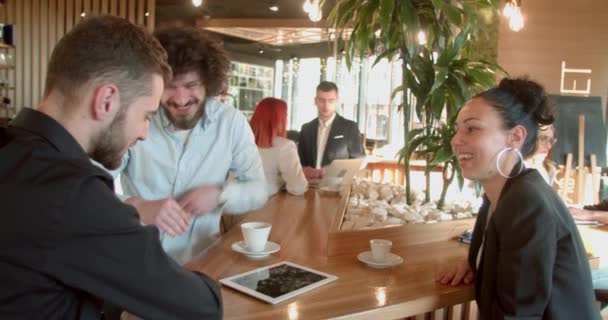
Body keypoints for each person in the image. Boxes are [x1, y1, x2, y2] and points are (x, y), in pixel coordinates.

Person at [0, 16, 222, 319]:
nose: (144, 133)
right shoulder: (72, 193)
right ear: (106, 100)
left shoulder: (12, 151)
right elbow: (201, 307)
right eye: (146, 115)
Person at [436, 78, 598, 318]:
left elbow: (518, 314)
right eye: (457, 129)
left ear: (515, 137)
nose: (455, 140)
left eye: (472, 128)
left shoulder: (526, 201)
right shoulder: (500, 193)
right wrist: (478, 262)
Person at [114, 27, 268, 265]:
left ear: (208, 82)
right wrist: (139, 207)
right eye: (170, 86)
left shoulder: (230, 123)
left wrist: (220, 195)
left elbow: (258, 190)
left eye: (191, 85)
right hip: (137, 262)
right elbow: (95, 186)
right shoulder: (134, 120)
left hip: (204, 261)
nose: (180, 98)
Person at [298, 81, 365, 180]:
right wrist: (304, 169)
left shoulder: (350, 127)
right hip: (309, 186)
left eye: (331, 100)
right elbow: (299, 161)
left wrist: (333, 171)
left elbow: (360, 161)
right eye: (321, 100)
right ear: (315, 101)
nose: (326, 105)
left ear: (337, 101)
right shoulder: (306, 129)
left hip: (337, 187)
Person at [250, 97, 308, 196]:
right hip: (264, 207)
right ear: (280, 119)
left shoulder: (240, 141)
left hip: (230, 205)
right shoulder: (285, 146)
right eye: (285, 116)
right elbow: (298, 188)